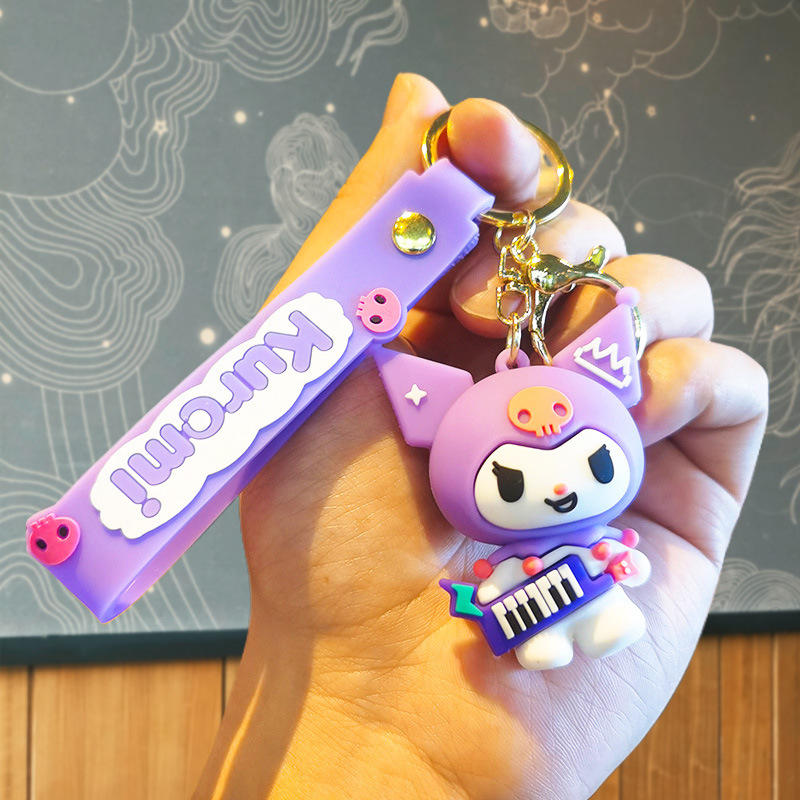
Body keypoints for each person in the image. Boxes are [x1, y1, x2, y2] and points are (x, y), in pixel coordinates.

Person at [193, 74, 768, 800]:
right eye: (514, 480)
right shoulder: (461, 493)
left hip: (589, 594)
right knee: (544, 632)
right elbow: (486, 588)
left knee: (602, 612)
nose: (559, 490)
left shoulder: (602, 493)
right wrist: (361, 713)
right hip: (521, 610)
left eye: (593, 464)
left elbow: (614, 554)